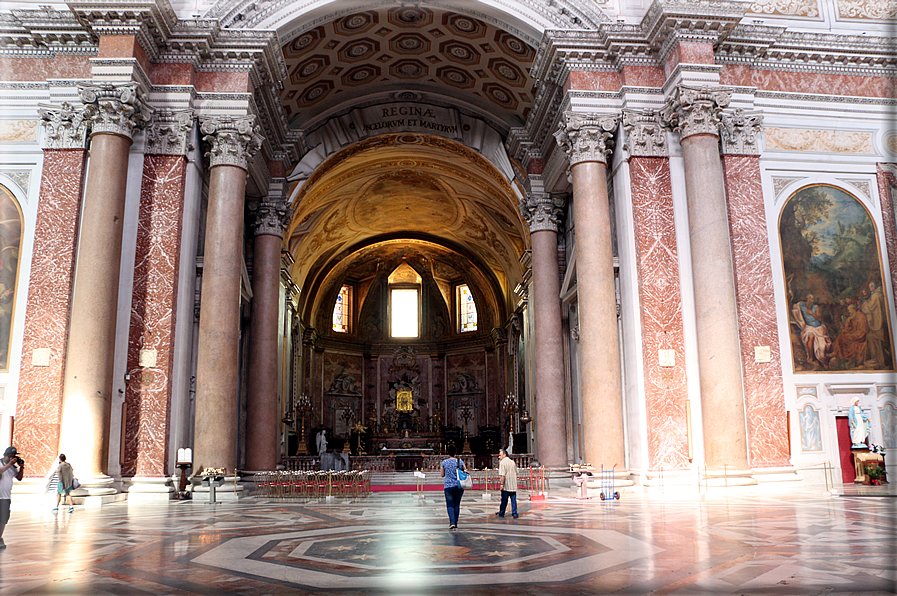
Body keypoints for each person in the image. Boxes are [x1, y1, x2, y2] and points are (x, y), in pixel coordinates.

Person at [795, 294, 831, 368]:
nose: (813, 301)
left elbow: (819, 318)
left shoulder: (815, 307)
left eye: (813, 299)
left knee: (822, 346)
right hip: (809, 327)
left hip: (819, 328)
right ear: (808, 298)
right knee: (811, 337)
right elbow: (795, 308)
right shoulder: (801, 306)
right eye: (811, 299)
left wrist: (811, 313)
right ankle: (810, 357)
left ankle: (823, 360)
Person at [1, 446, 25, 549]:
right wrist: (9, 464)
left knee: (3, 519)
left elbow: (19, 478)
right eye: (10, 457)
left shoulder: (12, 467)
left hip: (6, 498)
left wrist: (21, 468)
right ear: (5, 456)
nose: (12, 459)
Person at [440, 444, 465, 530]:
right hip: (459, 485)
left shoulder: (444, 462)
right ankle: (456, 522)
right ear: (455, 452)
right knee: (457, 504)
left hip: (448, 486)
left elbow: (442, 475)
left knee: (450, 505)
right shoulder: (460, 461)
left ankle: (452, 522)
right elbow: (465, 471)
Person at [496, 448, 518, 519]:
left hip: (506, 484)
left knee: (504, 500)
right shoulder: (512, 462)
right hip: (513, 483)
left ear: (504, 455)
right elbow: (516, 472)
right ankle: (514, 513)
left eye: (500, 455)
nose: (499, 457)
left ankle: (502, 512)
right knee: (513, 500)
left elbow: (503, 475)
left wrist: (501, 484)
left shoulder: (502, 463)